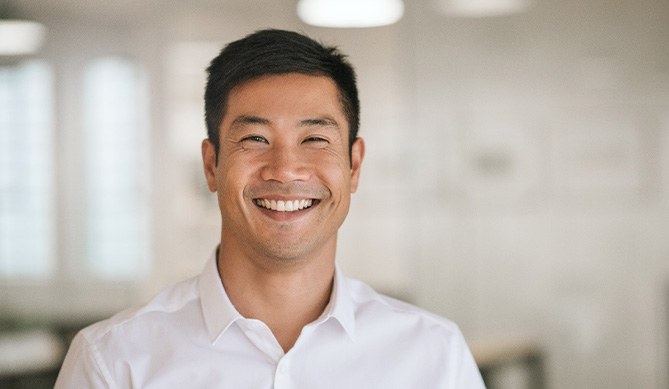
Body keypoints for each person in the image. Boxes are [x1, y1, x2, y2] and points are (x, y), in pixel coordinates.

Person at [55, 29, 485, 388]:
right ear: (212, 165)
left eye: (315, 139)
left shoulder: (435, 357)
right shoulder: (114, 362)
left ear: (354, 166)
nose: (284, 170)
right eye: (255, 139)